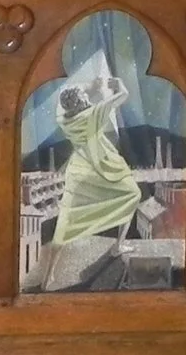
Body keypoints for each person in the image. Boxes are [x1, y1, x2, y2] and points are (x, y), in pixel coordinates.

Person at [49, 76, 140, 245]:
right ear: (80, 101)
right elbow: (123, 94)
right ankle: (118, 245)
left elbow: (70, 101)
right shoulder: (93, 114)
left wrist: (90, 88)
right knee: (134, 194)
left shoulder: (64, 120)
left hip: (79, 168)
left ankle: (53, 261)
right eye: (84, 95)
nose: (87, 96)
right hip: (103, 164)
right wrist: (119, 84)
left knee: (68, 217)